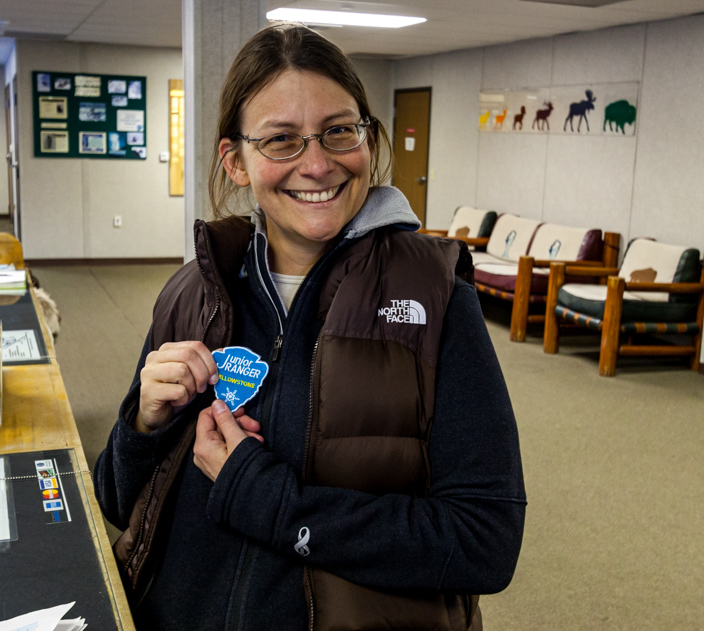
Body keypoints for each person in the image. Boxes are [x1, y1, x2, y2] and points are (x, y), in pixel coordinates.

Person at [95, 22, 526, 631]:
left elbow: (485, 543)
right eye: (281, 141)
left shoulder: (434, 298)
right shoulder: (193, 291)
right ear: (235, 161)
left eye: (338, 131)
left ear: (368, 140)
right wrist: (142, 425)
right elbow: (114, 501)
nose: (319, 164)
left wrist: (269, 500)